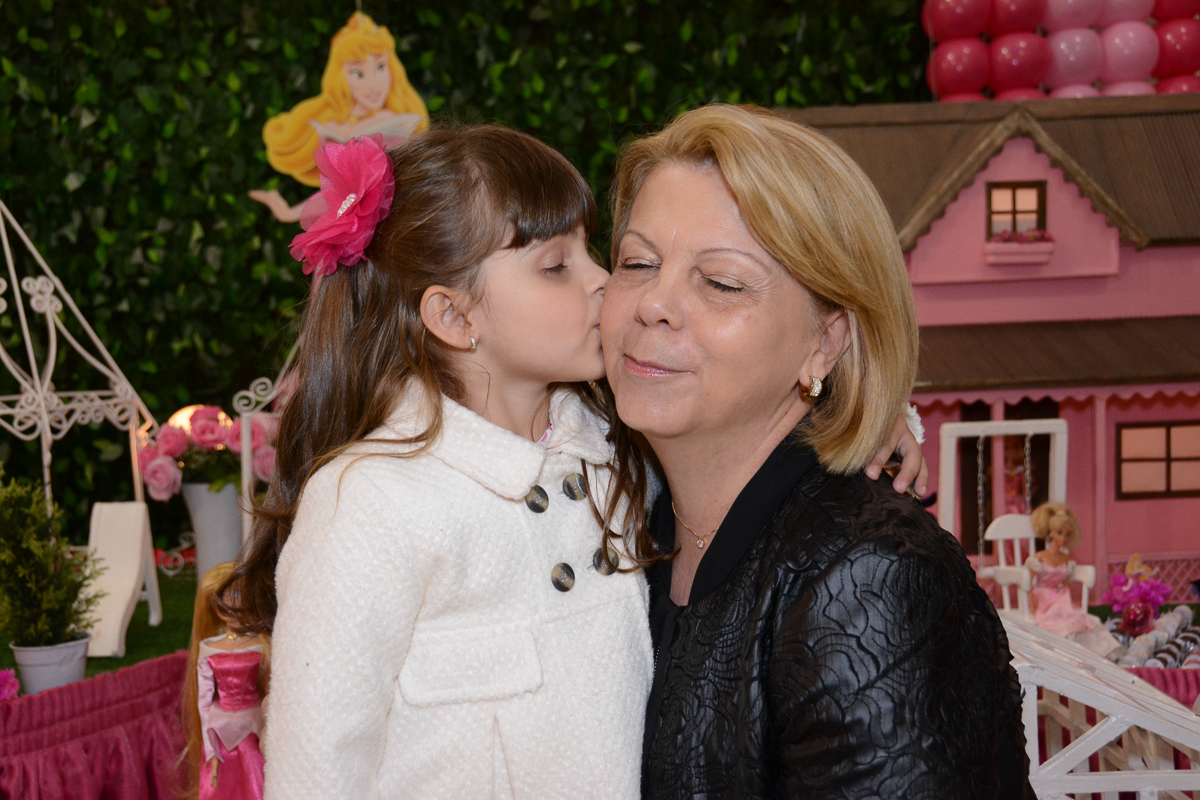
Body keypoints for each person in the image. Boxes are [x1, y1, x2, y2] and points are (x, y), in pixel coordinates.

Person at [219, 121, 927, 798]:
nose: (605, 284)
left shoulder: (609, 443)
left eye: (599, 253)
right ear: (454, 318)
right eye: (557, 265)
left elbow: (738, 436)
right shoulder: (370, 500)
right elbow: (318, 764)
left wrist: (863, 412)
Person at [600, 104, 1031, 799]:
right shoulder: (619, 514)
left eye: (722, 282)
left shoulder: (870, 580)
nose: (654, 303)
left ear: (825, 341)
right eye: (636, 262)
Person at [249, 12, 428, 223]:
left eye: (380, 67)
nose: (373, 84)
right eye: (358, 73)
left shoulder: (395, 121)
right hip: (363, 221)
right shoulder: (333, 126)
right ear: (340, 78)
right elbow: (342, 193)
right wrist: (287, 212)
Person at [182, 562, 268, 800]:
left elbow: (270, 686)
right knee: (220, 782)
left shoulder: (262, 645)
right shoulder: (209, 647)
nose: (234, 610)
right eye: (225, 607)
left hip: (252, 721)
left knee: (254, 773)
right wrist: (210, 749)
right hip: (220, 725)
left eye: (241, 601)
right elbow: (203, 699)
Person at [1027, 501, 1121, 658]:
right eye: (1059, 533)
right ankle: (1062, 655)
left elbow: (1065, 584)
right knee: (1056, 622)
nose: (1063, 538)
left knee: (1081, 621)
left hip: (1060, 596)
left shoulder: (1066, 558)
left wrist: (1066, 600)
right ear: (1051, 533)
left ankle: (1088, 655)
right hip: (1042, 597)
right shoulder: (1040, 557)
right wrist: (1032, 604)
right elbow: (1029, 584)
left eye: (1067, 534)